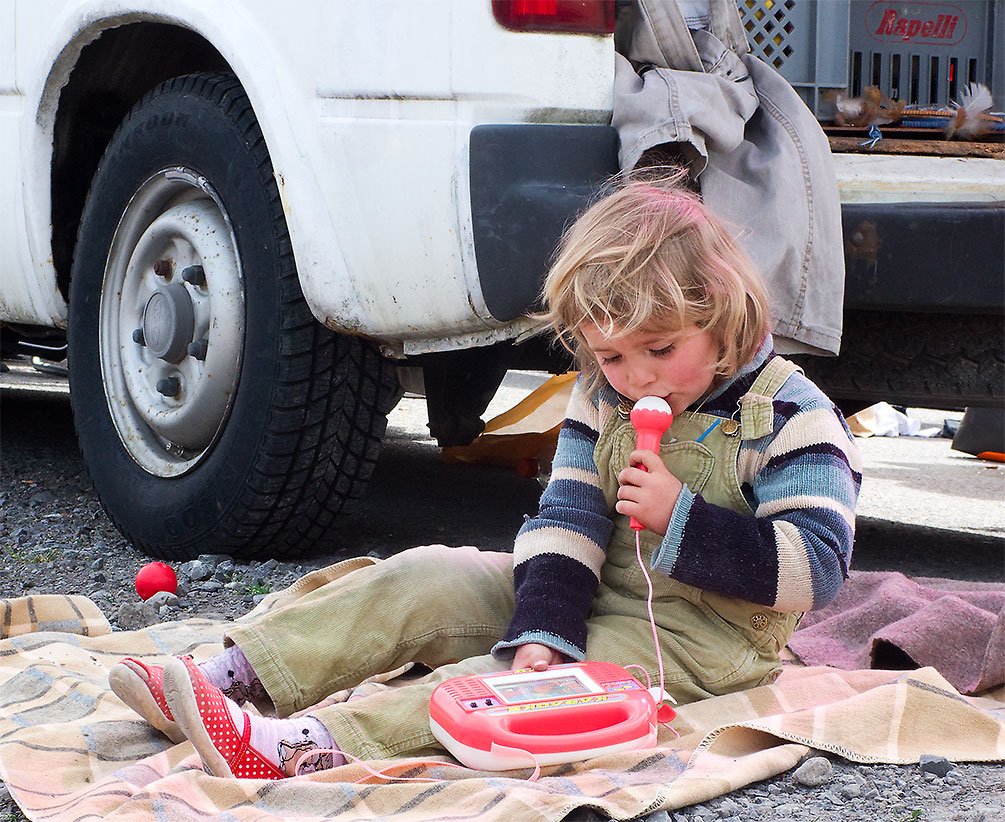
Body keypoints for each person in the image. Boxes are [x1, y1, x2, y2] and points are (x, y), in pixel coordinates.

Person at [110, 173, 862, 780]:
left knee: (509, 686)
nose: (632, 379)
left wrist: (680, 517)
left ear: (721, 312)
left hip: (701, 639)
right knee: (430, 575)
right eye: (610, 357)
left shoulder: (792, 416)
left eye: (658, 350)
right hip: (599, 588)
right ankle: (238, 676)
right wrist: (546, 627)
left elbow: (817, 570)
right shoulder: (605, 397)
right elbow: (568, 520)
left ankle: (305, 742)